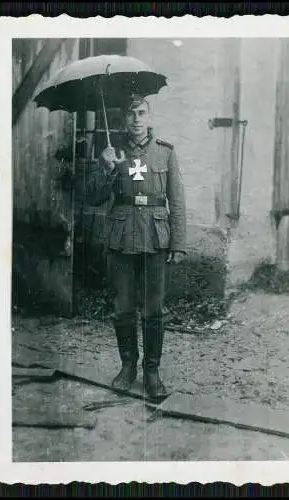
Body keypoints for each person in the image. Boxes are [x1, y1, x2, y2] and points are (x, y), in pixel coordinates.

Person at [90, 94, 187, 402]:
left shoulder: (165, 153)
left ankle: (152, 372)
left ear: (150, 117)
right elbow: (93, 197)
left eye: (141, 113)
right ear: (123, 119)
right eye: (130, 114)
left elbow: (178, 200)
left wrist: (178, 243)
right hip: (120, 240)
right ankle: (128, 366)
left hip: (155, 240)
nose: (136, 119)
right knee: (123, 309)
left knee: (154, 311)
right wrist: (106, 167)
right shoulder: (111, 152)